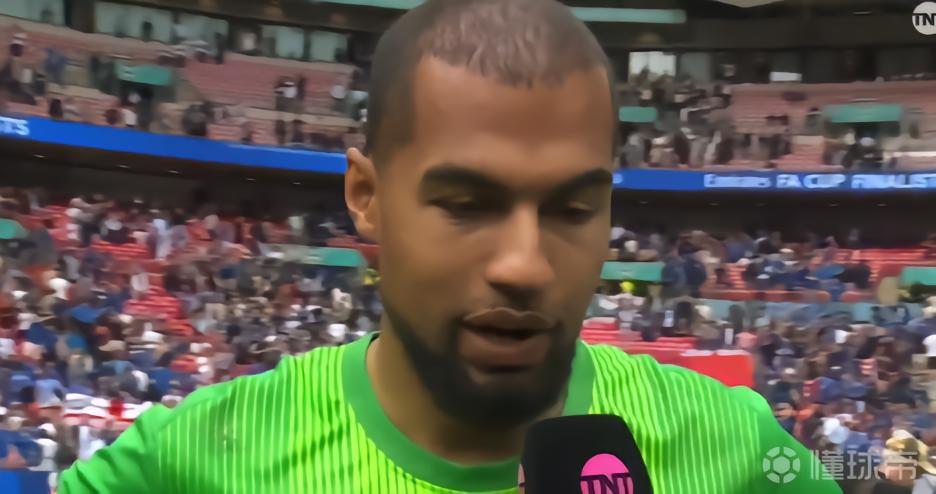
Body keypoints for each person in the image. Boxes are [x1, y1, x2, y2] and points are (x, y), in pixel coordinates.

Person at [59, 1, 841, 493]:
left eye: (573, 209)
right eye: (466, 206)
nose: (525, 265)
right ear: (366, 196)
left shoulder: (732, 447)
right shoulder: (202, 455)